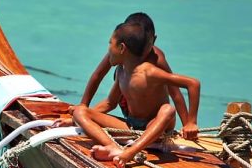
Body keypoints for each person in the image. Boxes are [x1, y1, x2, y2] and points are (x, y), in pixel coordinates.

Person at [73, 21, 200, 168]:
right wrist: (76, 119)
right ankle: (112, 147)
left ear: (121, 48)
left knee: (167, 109)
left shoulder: (149, 72)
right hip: (131, 126)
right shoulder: (121, 71)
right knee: (80, 111)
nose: (108, 50)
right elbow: (109, 103)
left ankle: (129, 152)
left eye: (110, 44)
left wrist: (190, 122)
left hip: (155, 126)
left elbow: (193, 84)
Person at [57, 12, 193, 140]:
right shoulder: (120, 57)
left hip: (155, 121)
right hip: (132, 113)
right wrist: (83, 107)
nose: (142, 49)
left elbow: (176, 93)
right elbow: (98, 77)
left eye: (147, 44)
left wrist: (188, 124)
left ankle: (149, 136)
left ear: (154, 40)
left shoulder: (156, 59)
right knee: (86, 110)